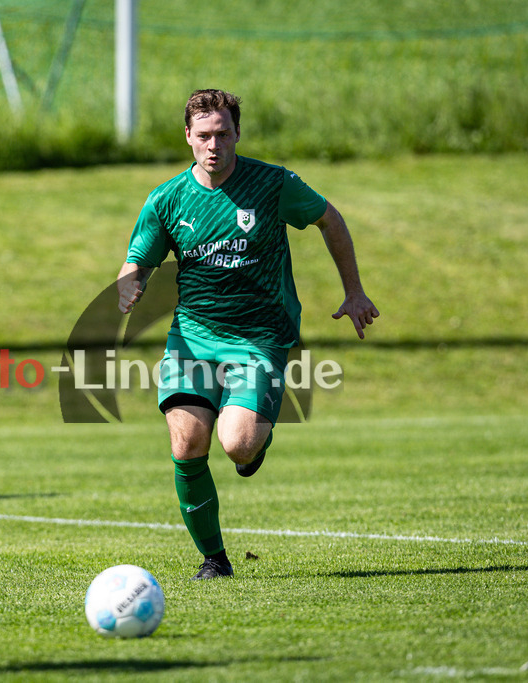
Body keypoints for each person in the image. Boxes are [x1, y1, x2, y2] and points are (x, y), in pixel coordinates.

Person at [116, 89, 379, 580]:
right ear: (188, 137)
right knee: (187, 443)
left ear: (237, 133)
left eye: (223, 134)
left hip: (260, 336)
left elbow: (329, 219)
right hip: (193, 335)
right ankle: (215, 560)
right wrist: (129, 283)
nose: (213, 145)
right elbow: (138, 260)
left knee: (237, 445)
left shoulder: (273, 184)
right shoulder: (167, 199)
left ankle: (256, 440)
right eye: (204, 136)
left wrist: (354, 291)